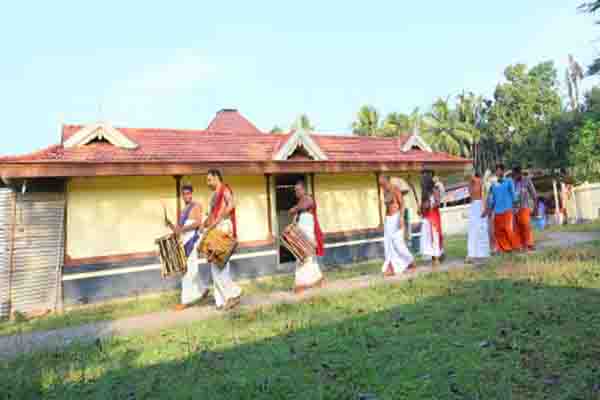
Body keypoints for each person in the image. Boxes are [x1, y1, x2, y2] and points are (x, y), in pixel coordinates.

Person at [165, 185, 210, 311]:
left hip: (193, 241)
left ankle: (185, 301)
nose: (186, 196)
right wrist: (169, 225)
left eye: (188, 193)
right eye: (184, 194)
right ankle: (204, 290)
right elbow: (178, 230)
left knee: (186, 270)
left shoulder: (196, 206)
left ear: (192, 194)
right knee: (190, 269)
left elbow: (197, 223)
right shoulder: (183, 211)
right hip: (184, 242)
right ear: (182, 195)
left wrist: (182, 229)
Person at [203, 169, 243, 310]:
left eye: (209, 180)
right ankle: (221, 300)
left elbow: (231, 204)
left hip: (224, 227)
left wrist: (218, 219)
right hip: (215, 228)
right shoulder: (213, 195)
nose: (207, 183)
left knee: (220, 265)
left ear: (216, 178)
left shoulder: (225, 189)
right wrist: (206, 224)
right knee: (215, 266)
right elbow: (211, 213)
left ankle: (233, 294)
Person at [288, 181, 325, 293]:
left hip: (308, 234)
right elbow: (293, 214)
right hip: (301, 233)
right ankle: (316, 279)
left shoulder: (308, 199)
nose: (296, 192)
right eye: (295, 191)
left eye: (298, 190)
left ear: (304, 190)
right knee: (304, 258)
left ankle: (301, 284)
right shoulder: (300, 203)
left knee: (304, 257)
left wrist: (295, 208)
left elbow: (301, 207)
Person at [378, 175, 416, 276]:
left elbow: (402, 204)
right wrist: (383, 221)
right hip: (388, 220)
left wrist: (401, 218)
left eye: (383, 184)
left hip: (396, 217)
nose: (382, 186)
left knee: (398, 243)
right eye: (380, 185)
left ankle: (409, 260)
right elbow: (387, 207)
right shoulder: (384, 191)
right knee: (388, 244)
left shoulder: (395, 189)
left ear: (387, 181)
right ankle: (391, 267)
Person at [482, 164, 519, 253]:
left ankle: (516, 246)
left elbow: (513, 194)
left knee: (508, 229)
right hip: (497, 211)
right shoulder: (493, 184)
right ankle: (506, 248)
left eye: (499, 170)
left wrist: (515, 205)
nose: (498, 172)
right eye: (497, 171)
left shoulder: (509, 181)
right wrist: (488, 209)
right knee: (498, 231)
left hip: (508, 209)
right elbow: (492, 198)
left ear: (503, 171)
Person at [420, 173, 444, 266]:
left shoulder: (435, 190)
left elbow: (438, 203)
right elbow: (422, 206)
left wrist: (430, 205)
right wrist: (421, 208)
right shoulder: (424, 193)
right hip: (426, 217)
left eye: (423, 181)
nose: (422, 183)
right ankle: (433, 256)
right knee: (428, 237)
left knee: (435, 236)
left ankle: (437, 256)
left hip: (433, 216)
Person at [512, 166, 538, 251]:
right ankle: (521, 245)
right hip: (514, 209)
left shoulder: (527, 180)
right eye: (514, 175)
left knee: (526, 226)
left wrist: (535, 208)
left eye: (517, 174)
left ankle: (529, 244)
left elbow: (534, 195)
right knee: (517, 228)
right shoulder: (511, 182)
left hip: (524, 207)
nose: (516, 176)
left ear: (520, 173)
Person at [466, 172, 490, 263]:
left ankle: (482, 253)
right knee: (473, 230)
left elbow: (485, 196)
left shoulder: (481, 183)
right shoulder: (470, 183)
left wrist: (485, 208)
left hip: (480, 205)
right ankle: (472, 254)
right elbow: (472, 197)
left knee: (481, 230)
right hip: (474, 207)